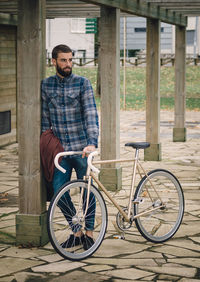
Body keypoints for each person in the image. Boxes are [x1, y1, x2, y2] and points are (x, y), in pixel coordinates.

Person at [41, 44, 99, 250]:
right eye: (64, 60)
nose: (68, 64)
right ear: (53, 61)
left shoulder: (83, 83)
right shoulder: (46, 85)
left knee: (88, 192)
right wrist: (46, 144)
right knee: (58, 191)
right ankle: (76, 231)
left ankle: (89, 234)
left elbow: (91, 114)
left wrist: (92, 143)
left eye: (70, 60)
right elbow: (44, 121)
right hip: (60, 151)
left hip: (82, 149)